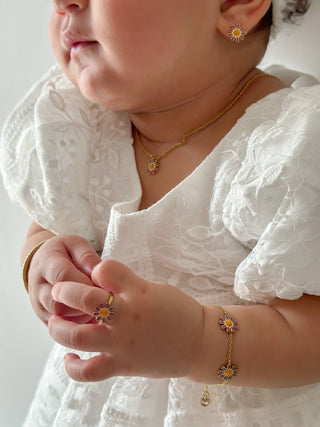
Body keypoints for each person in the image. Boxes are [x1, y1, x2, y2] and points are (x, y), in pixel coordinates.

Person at [1, 0, 320, 425]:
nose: (63, 3)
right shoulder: (79, 124)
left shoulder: (291, 149)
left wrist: (198, 343)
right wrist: (42, 262)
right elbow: (48, 223)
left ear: (233, 6)